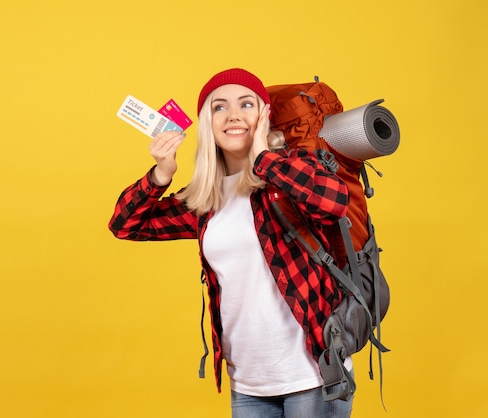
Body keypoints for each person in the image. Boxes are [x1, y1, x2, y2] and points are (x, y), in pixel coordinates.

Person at [108, 68, 353, 417]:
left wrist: (262, 158)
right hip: (249, 384)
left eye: (246, 104)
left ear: (264, 115)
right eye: (219, 107)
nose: (233, 115)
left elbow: (333, 202)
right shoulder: (204, 199)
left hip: (313, 375)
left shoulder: (292, 170)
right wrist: (160, 174)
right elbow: (125, 225)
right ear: (207, 123)